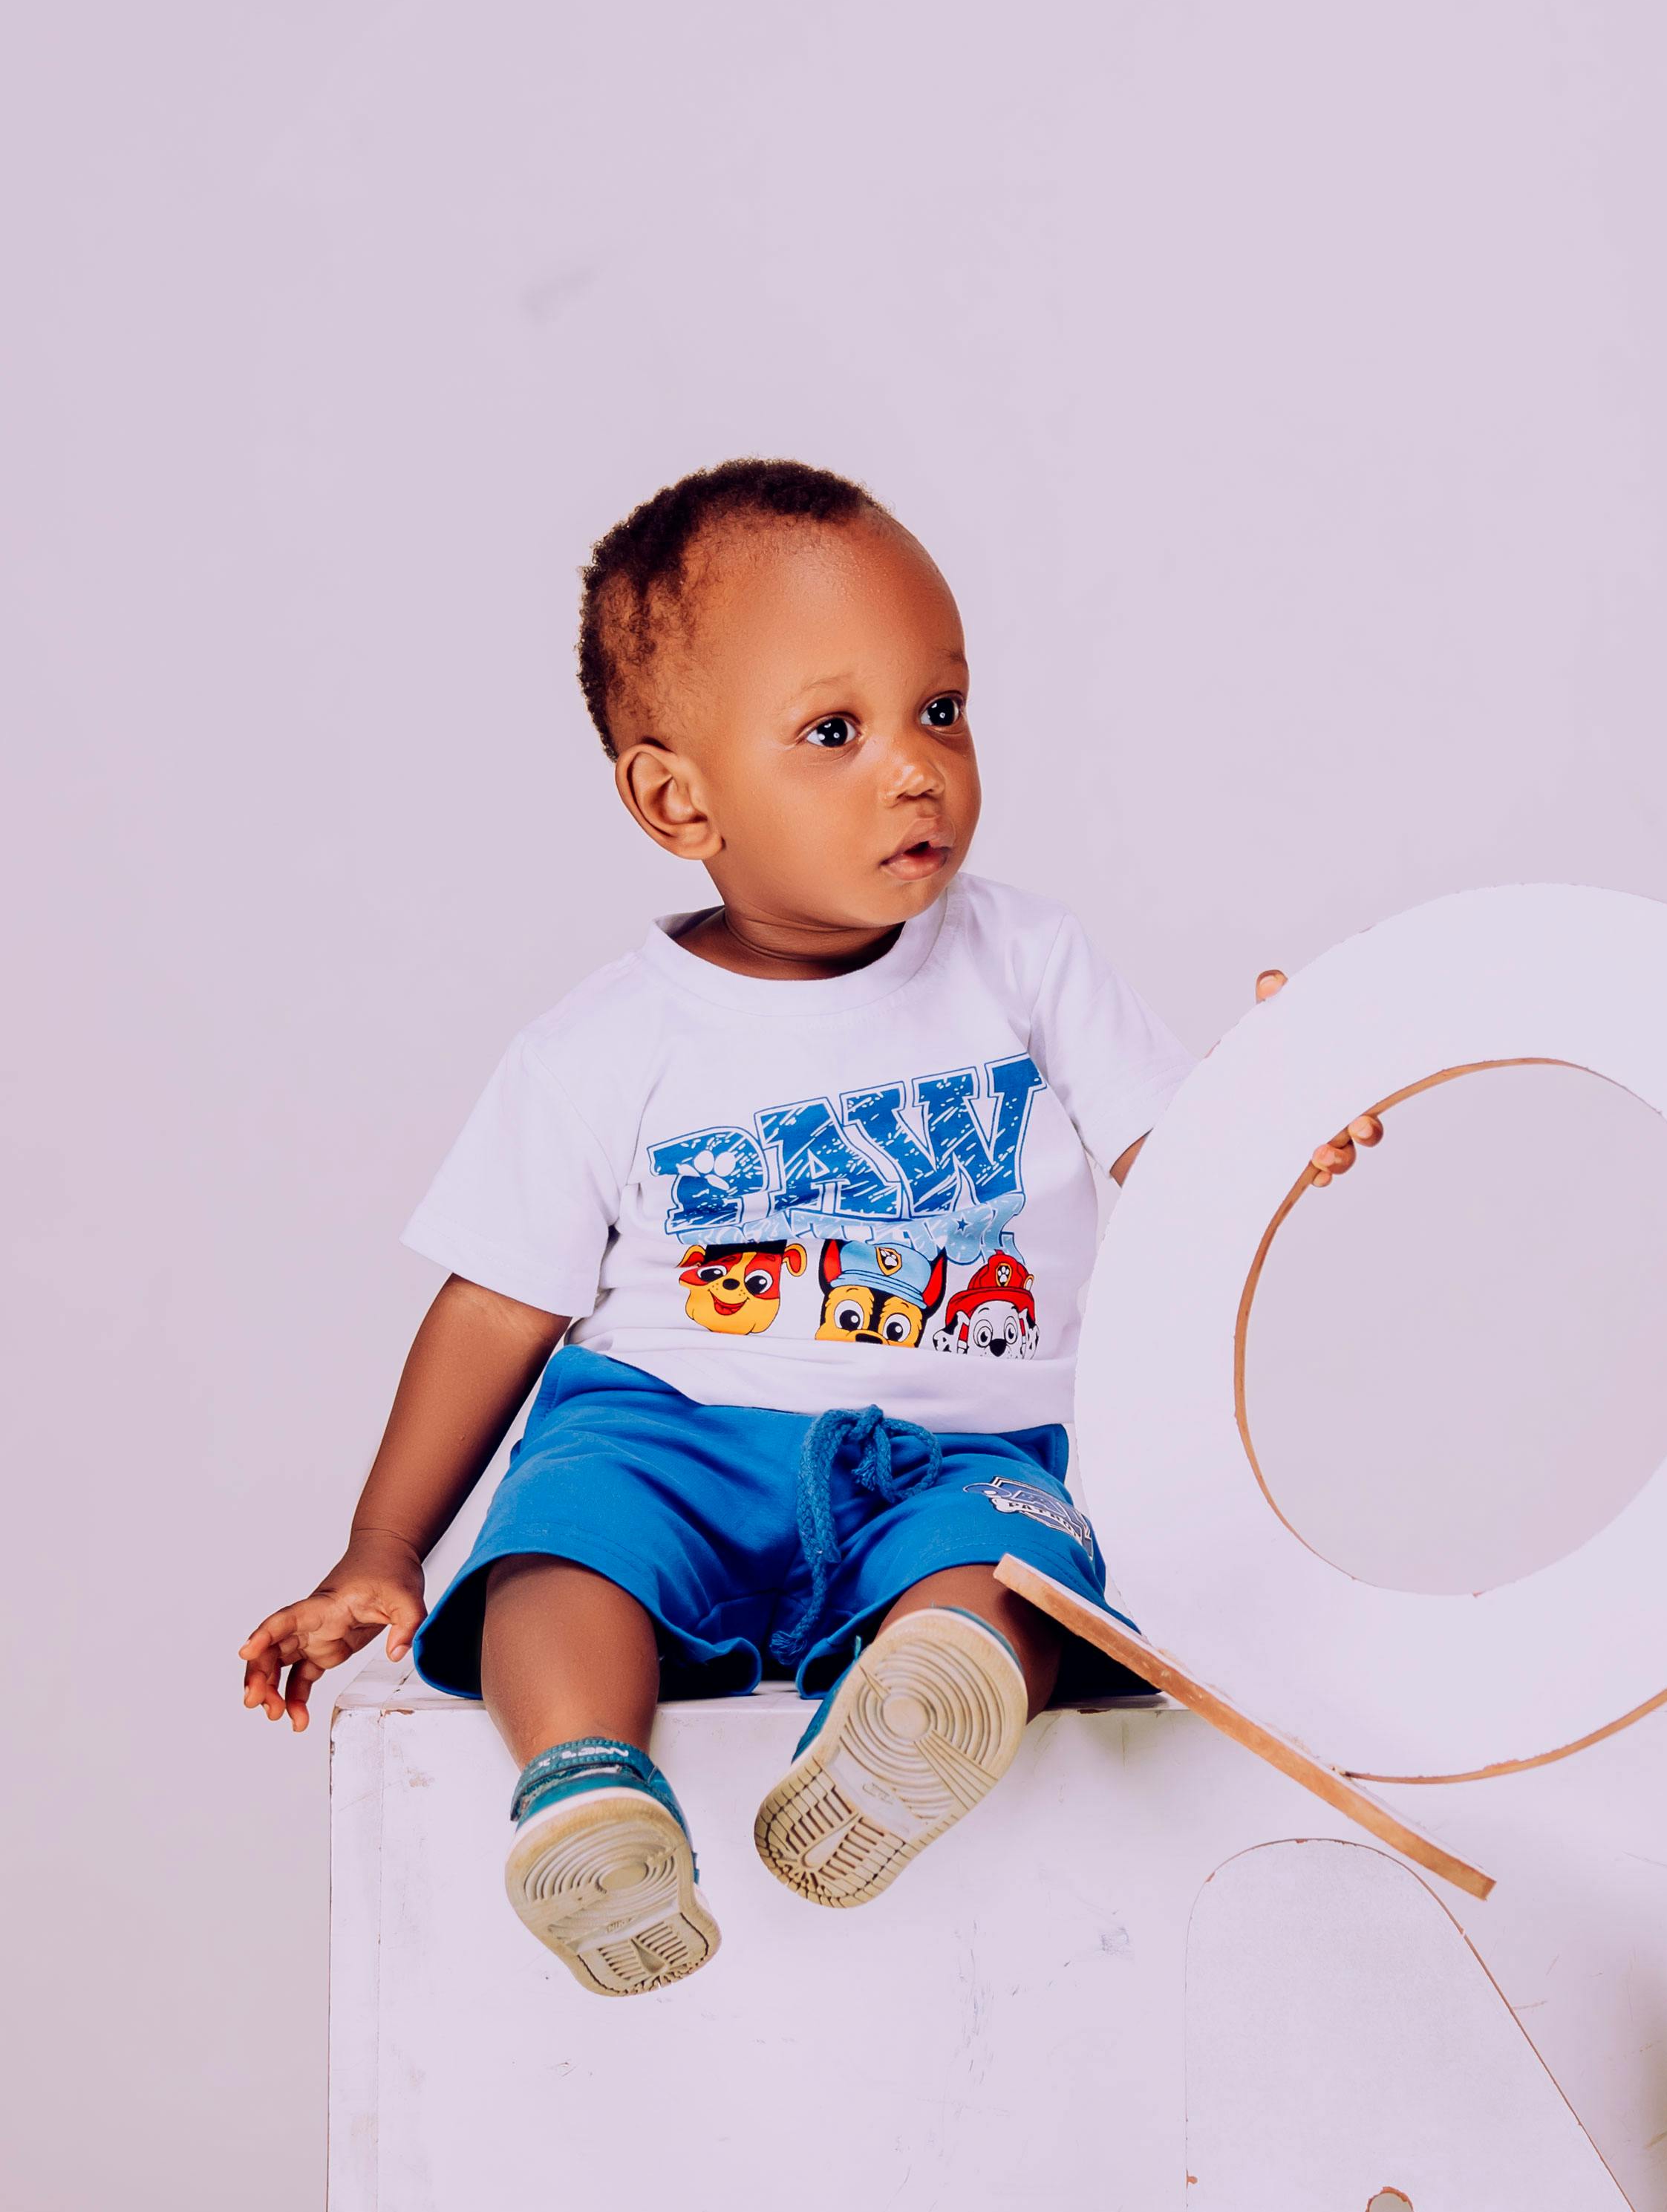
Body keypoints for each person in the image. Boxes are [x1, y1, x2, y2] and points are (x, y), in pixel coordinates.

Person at [238, 457, 1379, 1997]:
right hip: (668, 1429)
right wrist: (383, 1549)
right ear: (676, 798)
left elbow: (1174, 1169)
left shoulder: (1029, 964)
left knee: (1013, 1582)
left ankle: (912, 1726)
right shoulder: (602, 1049)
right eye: (835, 734)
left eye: (944, 711)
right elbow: (497, 1306)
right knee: (557, 1558)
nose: (915, 770)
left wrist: (1279, 1119)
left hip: (949, 1449)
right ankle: (587, 1790)